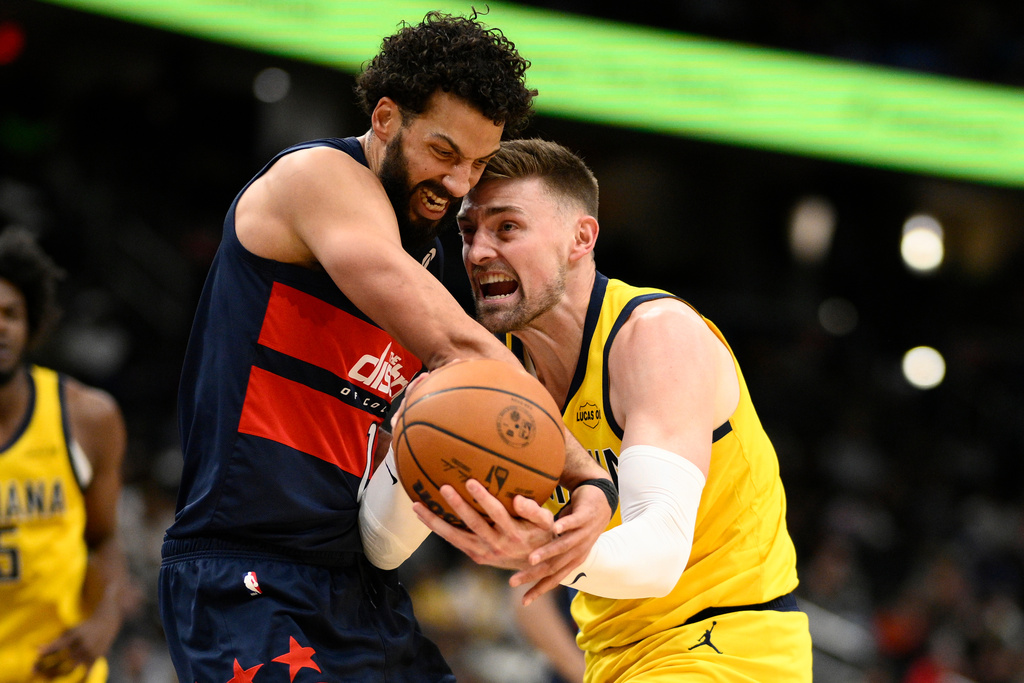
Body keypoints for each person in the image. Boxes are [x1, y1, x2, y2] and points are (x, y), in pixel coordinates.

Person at [159, 11, 613, 683]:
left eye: (478, 163)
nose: (460, 184)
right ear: (385, 118)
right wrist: (586, 473)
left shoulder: (423, 243)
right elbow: (457, 343)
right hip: (249, 576)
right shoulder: (319, 178)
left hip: (357, 588)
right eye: (443, 151)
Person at [413, 138, 814, 681]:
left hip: (727, 645)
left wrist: (543, 550)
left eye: (506, 228)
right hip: (612, 658)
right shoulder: (492, 375)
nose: (479, 251)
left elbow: (658, 556)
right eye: (468, 232)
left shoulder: (654, 336)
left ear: (582, 238)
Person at [0, 228, 130, 682]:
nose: (0, 326)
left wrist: (105, 617)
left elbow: (105, 541)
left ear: (32, 321)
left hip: (58, 671)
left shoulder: (87, 417)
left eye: (11, 313)